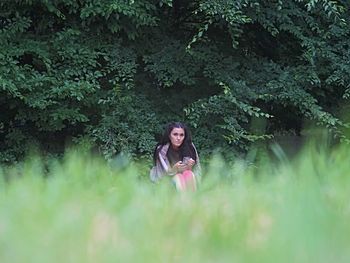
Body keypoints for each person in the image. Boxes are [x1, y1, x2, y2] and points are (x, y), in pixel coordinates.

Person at [150, 122, 200, 191]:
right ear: (169, 135)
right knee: (178, 177)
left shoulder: (190, 147)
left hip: (186, 180)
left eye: (181, 135)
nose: (178, 138)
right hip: (164, 183)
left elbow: (197, 171)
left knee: (189, 174)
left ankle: (192, 200)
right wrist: (174, 169)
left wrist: (189, 167)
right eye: (175, 134)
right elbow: (161, 176)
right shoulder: (162, 150)